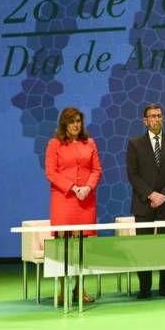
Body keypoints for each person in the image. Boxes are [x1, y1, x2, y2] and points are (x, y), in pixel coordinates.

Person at [126, 103, 165, 299]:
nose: (156, 119)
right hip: (144, 204)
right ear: (145, 121)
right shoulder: (135, 144)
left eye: (159, 115)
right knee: (144, 247)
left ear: (163, 118)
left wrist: (163, 195)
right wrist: (151, 195)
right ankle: (145, 288)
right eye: (152, 116)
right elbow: (133, 175)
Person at [45, 106, 102, 304]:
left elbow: (96, 170)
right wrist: (72, 187)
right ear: (64, 124)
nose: (75, 125)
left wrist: (88, 187)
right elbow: (51, 173)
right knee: (63, 248)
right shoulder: (55, 144)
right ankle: (61, 290)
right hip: (64, 201)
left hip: (86, 202)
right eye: (71, 121)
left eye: (78, 121)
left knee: (83, 248)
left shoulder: (90, 143)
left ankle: (80, 289)